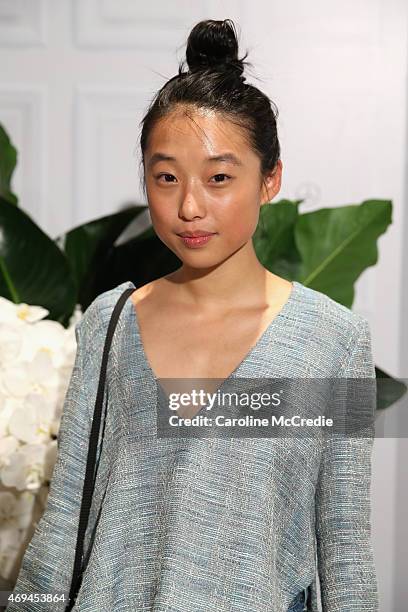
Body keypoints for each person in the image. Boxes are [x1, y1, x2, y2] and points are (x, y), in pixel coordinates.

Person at [7, 18, 379, 612]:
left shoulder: (334, 339)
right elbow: (63, 526)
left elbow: (344, 549)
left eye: (219, 178)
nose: (189, 206)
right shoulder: (111, 320)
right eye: (166, 177)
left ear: (270, 180)